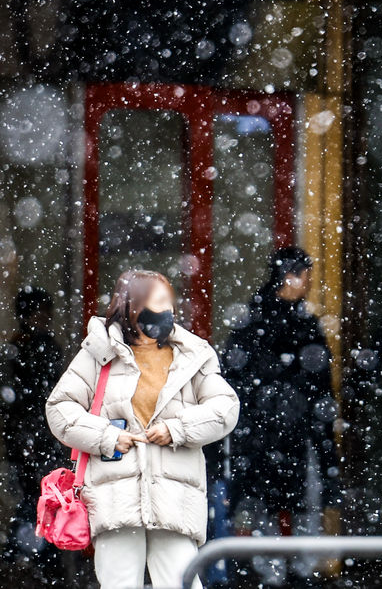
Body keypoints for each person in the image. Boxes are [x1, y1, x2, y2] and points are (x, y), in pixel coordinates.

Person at [45, 269, 239, 589]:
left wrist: (178, 429)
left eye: (169, 304)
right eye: (158, 303)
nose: (167, 312)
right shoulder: (99, 352)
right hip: (114, 499)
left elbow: (226, 408)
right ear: (132, 306)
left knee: (181, 582)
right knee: (119, 583)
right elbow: (59, 409)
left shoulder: (191, 354)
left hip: (174, 498)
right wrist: (108, 437)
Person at [222, 248, 341, 546]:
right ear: (290, 276)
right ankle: (288, 569)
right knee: (290, 506)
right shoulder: (294, 324)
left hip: (268, 432)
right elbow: (318, 383)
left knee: (272, 507)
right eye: (306, 276)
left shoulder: (257, 319)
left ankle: (271, 569)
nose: (310, 283)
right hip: (280, 431)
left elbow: (236, 375)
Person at [2, 286, 64, 560]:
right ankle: (35, 553)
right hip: (38, 438)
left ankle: (28, 552)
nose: (47, 317)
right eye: (43, 312)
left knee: (34, 497)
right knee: (39, 498)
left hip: (30, 438)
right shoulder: (36, 347)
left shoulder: (19, 347)